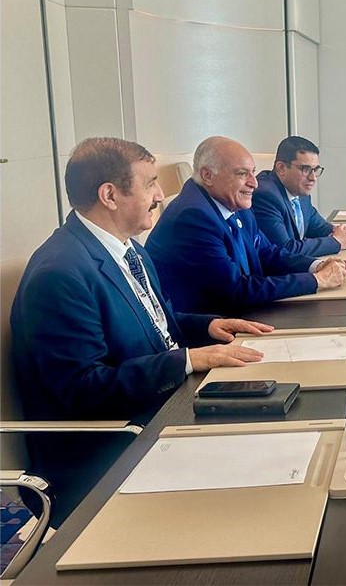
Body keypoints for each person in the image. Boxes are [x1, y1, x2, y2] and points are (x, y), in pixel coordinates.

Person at [10, 138, 272, 522]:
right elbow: (83, 390)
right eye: (150, 183)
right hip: (109, 449)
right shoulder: (60, 274)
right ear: (110, 195)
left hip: (162, 407)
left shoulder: (129, 249)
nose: (161, 195)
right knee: (257, 478)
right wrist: (187, 360)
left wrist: (207, 325)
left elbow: (152, 324)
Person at [146, 136, 346, 314]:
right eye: (242, 173)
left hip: (240, 313)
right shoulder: (193, 217)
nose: (254, 183)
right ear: (207, 175)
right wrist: (317, 280)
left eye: (253, 172)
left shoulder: (234, 203)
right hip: (208, 328)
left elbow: (267, 253)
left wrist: (315, 266)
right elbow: (235, 290)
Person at [252, 136, 346, 257]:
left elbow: (319, 228)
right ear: (281, 168)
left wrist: (340, 232)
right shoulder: (265, 196)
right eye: (306, 169)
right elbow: (285, 250)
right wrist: (336, 242)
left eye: (315, 170)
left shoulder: (300, 193)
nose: (313, 178)